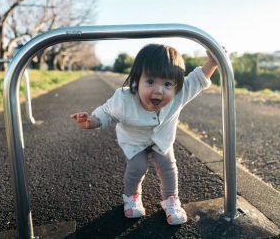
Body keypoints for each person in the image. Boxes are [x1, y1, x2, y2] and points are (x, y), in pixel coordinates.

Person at [70, 44, 218, 225]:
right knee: (137, 168)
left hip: (162, 140)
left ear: (177, 85)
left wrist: (212, 62)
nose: (158, 90)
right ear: (136, 80)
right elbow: (106, 112)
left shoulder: (180, 93)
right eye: (150, 82)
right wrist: (90, 121)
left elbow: (198, 79)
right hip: (134, 141)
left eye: (167, 84)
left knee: (168, 168)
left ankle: (171, 200)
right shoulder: (124, 99)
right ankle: (132, 197)